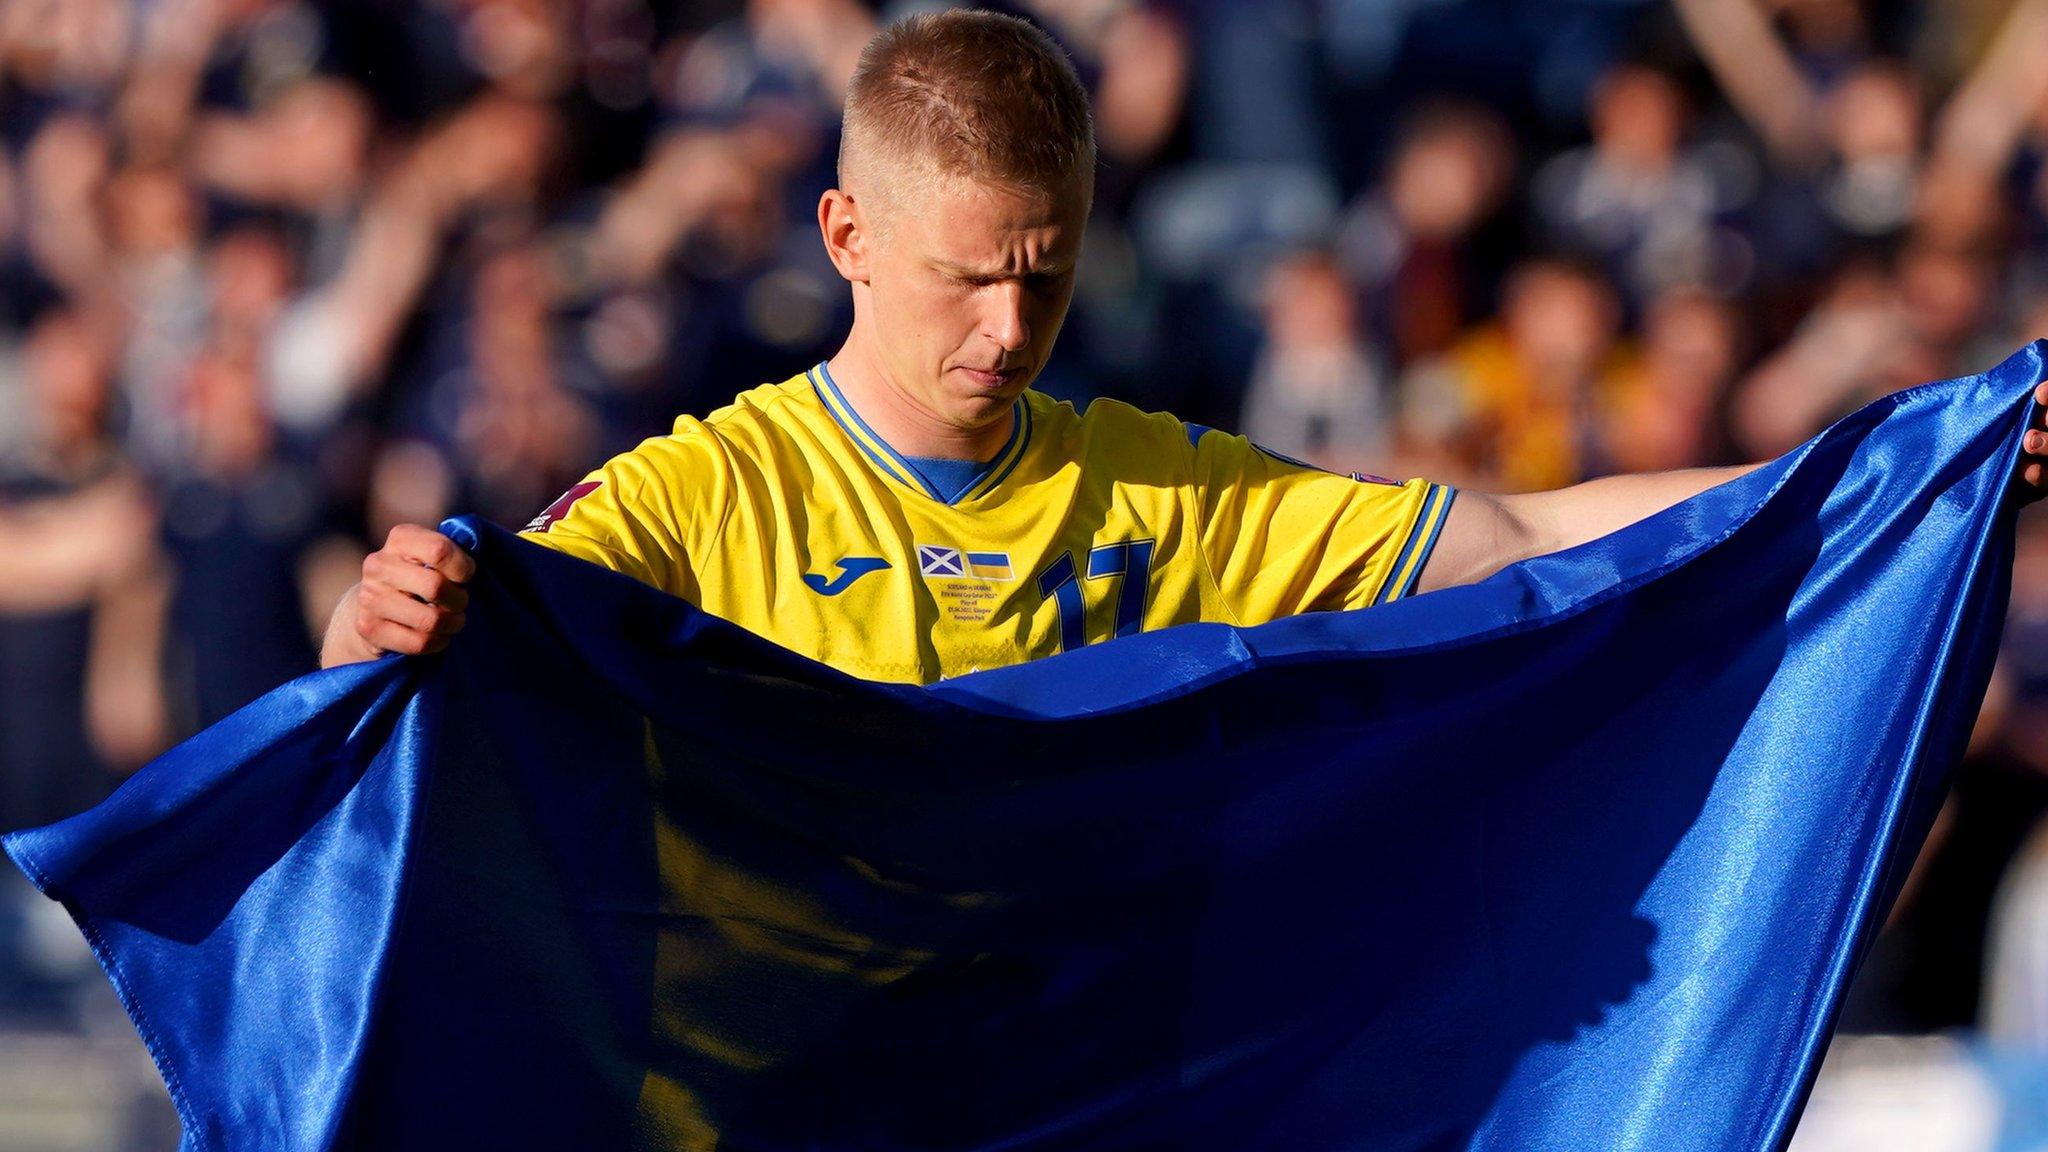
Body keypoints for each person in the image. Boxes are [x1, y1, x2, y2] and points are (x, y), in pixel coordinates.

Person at [317, 9, 2048, 682]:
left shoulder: (1145, 486)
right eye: (965, 280)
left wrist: (1904, 460)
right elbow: (408, 674)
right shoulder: (703, 497)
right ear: (845, 238)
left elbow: (1522, 533)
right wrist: (370, 617)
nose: (1008, 330)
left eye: (1047, 280)